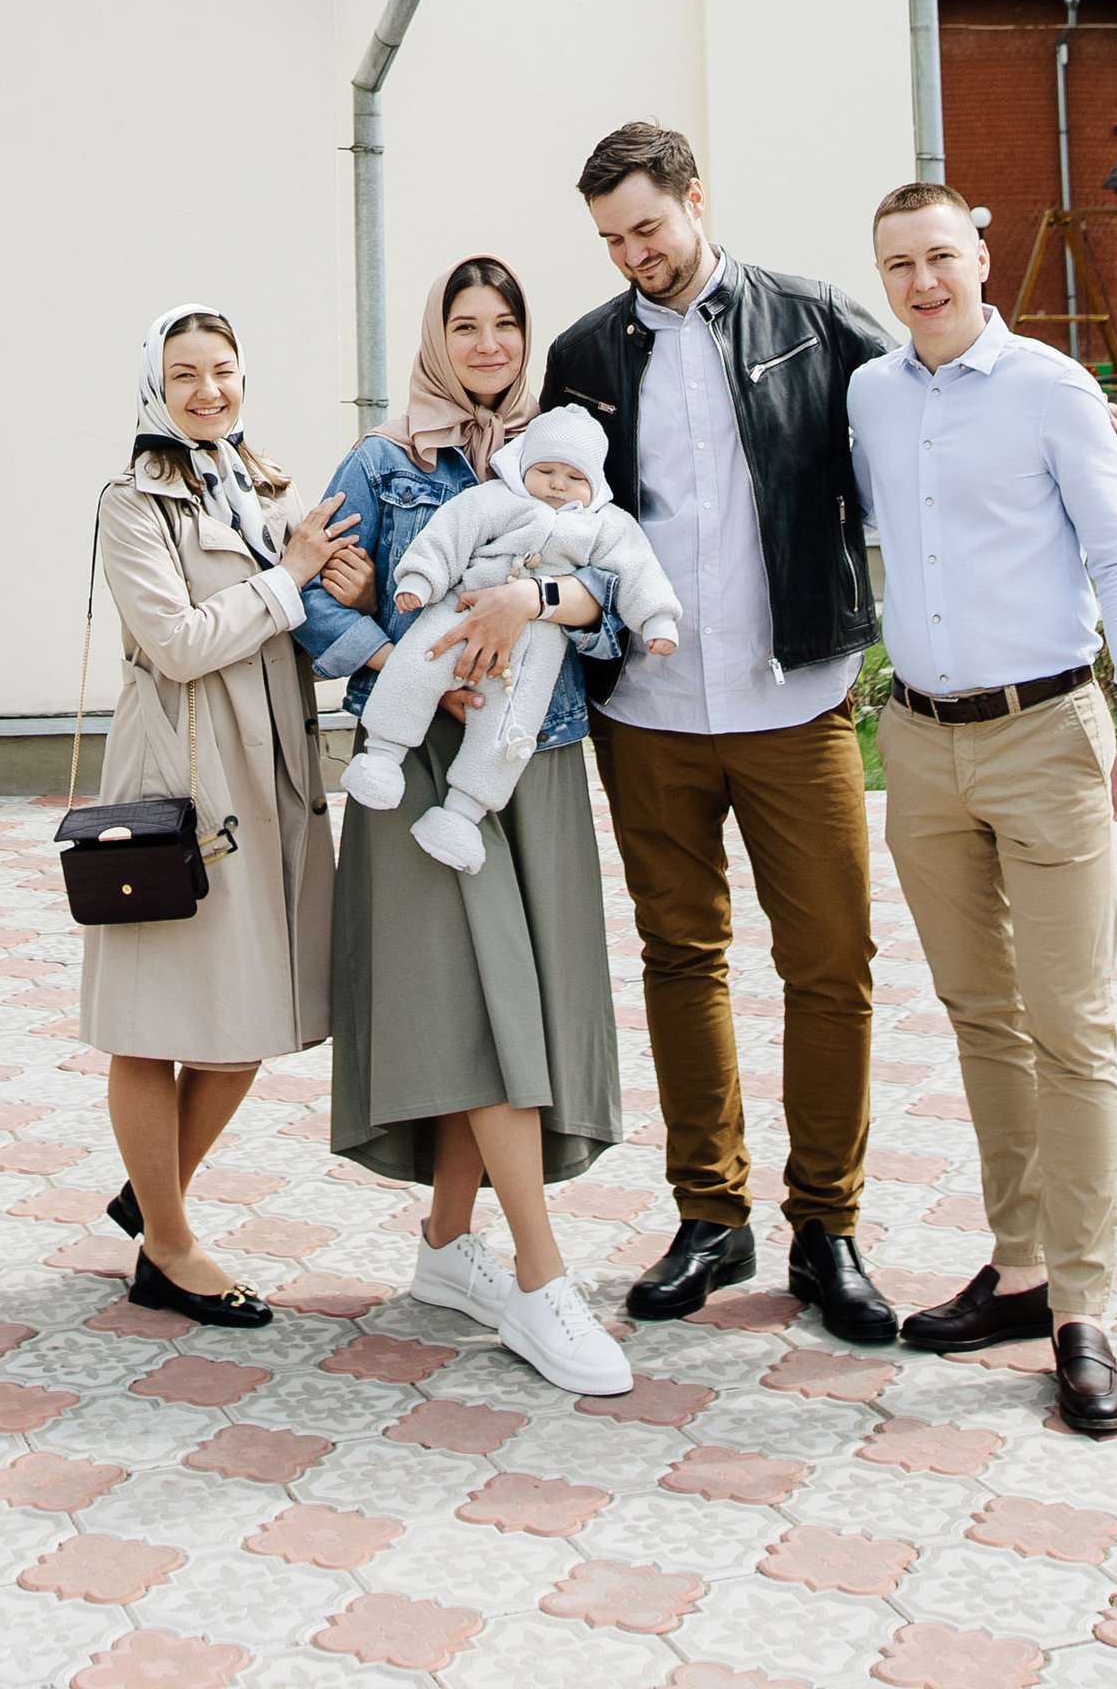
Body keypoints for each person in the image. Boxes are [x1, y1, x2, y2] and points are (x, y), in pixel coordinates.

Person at [541, 121, 897, 1344]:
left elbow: (922, 421)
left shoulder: (811, 317)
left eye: (647, 226)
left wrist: (1077, 432)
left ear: (696, 200)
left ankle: (827, 1227)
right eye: (610, 239)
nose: (633, 254)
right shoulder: (583, 352)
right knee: (679, 958)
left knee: (830, 963)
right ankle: (710, 1215)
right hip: (646, 715)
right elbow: (547, 507)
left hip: (794, 701)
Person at [848, 183, 1117, 1439]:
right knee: (981, 1016)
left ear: (981, 257)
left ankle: (1083, 1309)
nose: (923, 281)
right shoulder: (871, 398)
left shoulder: (1051, 388)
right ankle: (1018, 1266)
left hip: (1049, 737)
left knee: (1071, 1025)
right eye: (899, 264)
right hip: (921, 748)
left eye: (940, 256)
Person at [298, 261, 633, 1396]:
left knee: (511, 1004)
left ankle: (449, 1251)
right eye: (465, 324)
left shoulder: (563, 452)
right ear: (436, 336)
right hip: (422, 773)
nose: (488, 344)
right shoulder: (383, 461)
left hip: (532, 759)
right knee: (486, 1004)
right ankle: (543, 1284)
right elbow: (306, 597)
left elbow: (615, 588)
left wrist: (529, 603)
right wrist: (399, 661)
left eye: (505, 325)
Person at [78, 305, 354, 1330]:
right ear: (154, 383)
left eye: (223, 370)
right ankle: (171, 1245)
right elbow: (180, 642)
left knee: (244, 1024)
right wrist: (289, 581)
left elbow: (305, 621)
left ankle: (151, 1198)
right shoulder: (131, 502)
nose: (207, 391)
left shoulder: (266, 487)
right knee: (154, 1027)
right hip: (182, 790)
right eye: (184, 373)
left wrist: (338, 583)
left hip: (271, 778)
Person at [341, 406, 682, 863]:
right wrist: (420, 580)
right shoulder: (496, 499)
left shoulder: (606, 525)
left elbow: (638, 571)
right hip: (464, 608)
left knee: (509, 729)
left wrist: (657, 618)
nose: (558, 484)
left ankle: (462, 814)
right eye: (546, 471)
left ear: (595, 484)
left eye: (574, 477)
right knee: (416, 665)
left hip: (537, 647)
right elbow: (449, 534)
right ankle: (381, 756)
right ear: (523, 468)